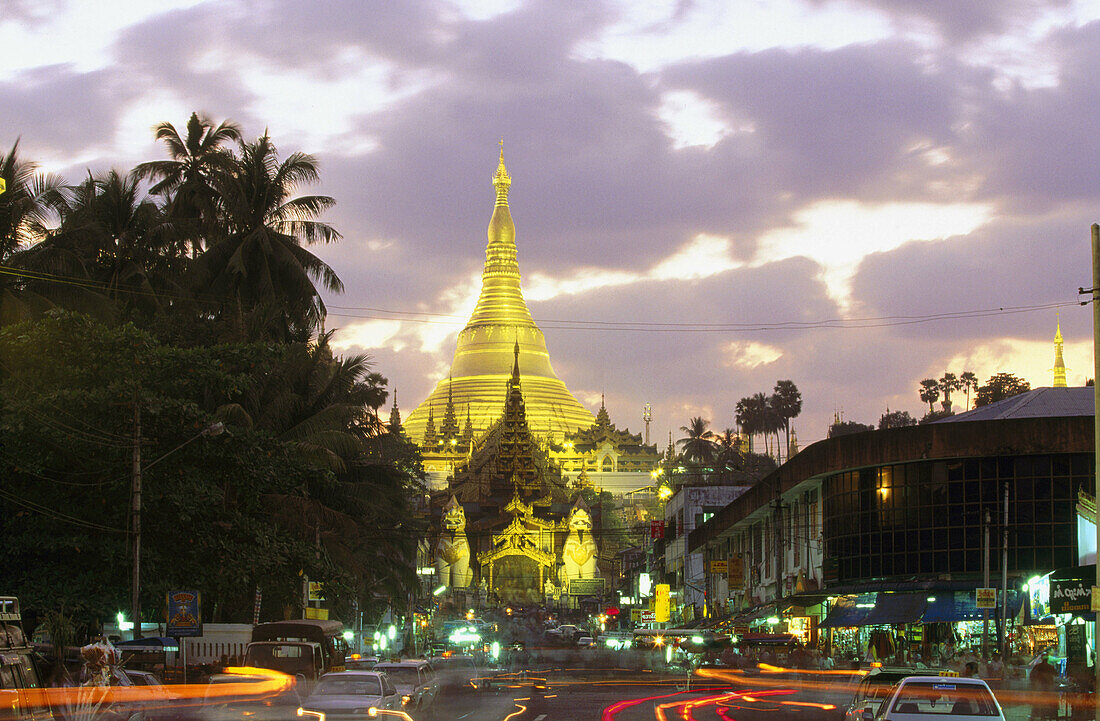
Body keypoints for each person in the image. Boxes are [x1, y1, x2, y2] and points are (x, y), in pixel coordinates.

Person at [1030, 654, 1057, 721]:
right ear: (1047, 660)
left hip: (1040, 688)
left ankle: (1042, 716)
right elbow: (1055, 675)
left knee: (1041, 703)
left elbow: (1031, 676)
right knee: (1048, 703)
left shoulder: (1037, 667)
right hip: (1047, 688)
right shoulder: (1050, 667)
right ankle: (1048, 716)